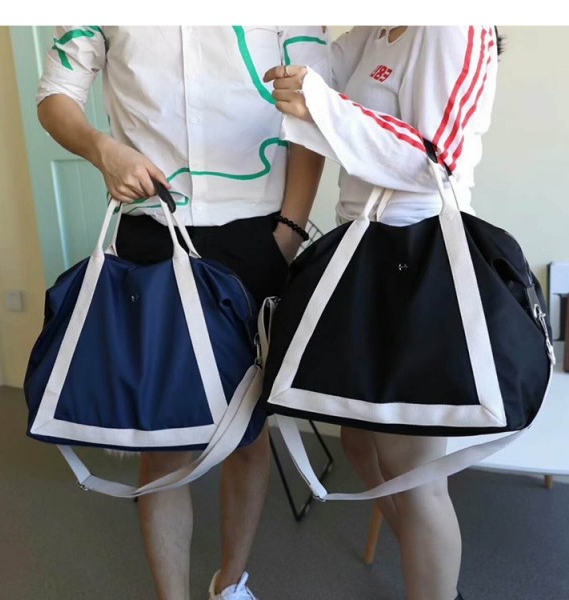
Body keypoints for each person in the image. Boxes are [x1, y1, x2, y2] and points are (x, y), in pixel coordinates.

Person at [36, 25, 328, 600]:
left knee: (247, 432)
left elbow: (311, 110)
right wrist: (102, 148)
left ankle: (231, 584)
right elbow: (55, 97)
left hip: (256, 236)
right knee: (162, 437)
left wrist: (289, 233)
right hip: (151, 231)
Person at [264, 26, 501, 600]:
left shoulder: (450, 25)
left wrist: (322, 104)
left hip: (419, 260)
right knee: (359, 444)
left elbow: (436, 157)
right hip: (362, 253)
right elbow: (308, 68)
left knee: (414, 474)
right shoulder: (374, 31)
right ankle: (425, 562)